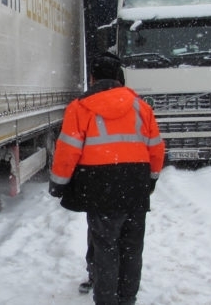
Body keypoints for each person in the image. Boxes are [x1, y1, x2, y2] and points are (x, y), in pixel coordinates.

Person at [49, 52, 164, 305]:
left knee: (106, 248)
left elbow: (68, 150)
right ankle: (127, 299)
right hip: (135, 185)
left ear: (92, 78)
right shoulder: (141, 107)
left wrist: (59, 182)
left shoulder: (80, 108)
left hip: (100, 186)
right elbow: (155, 147)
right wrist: (152, 178)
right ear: (118, 77)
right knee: (132, 248)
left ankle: (106, 300)